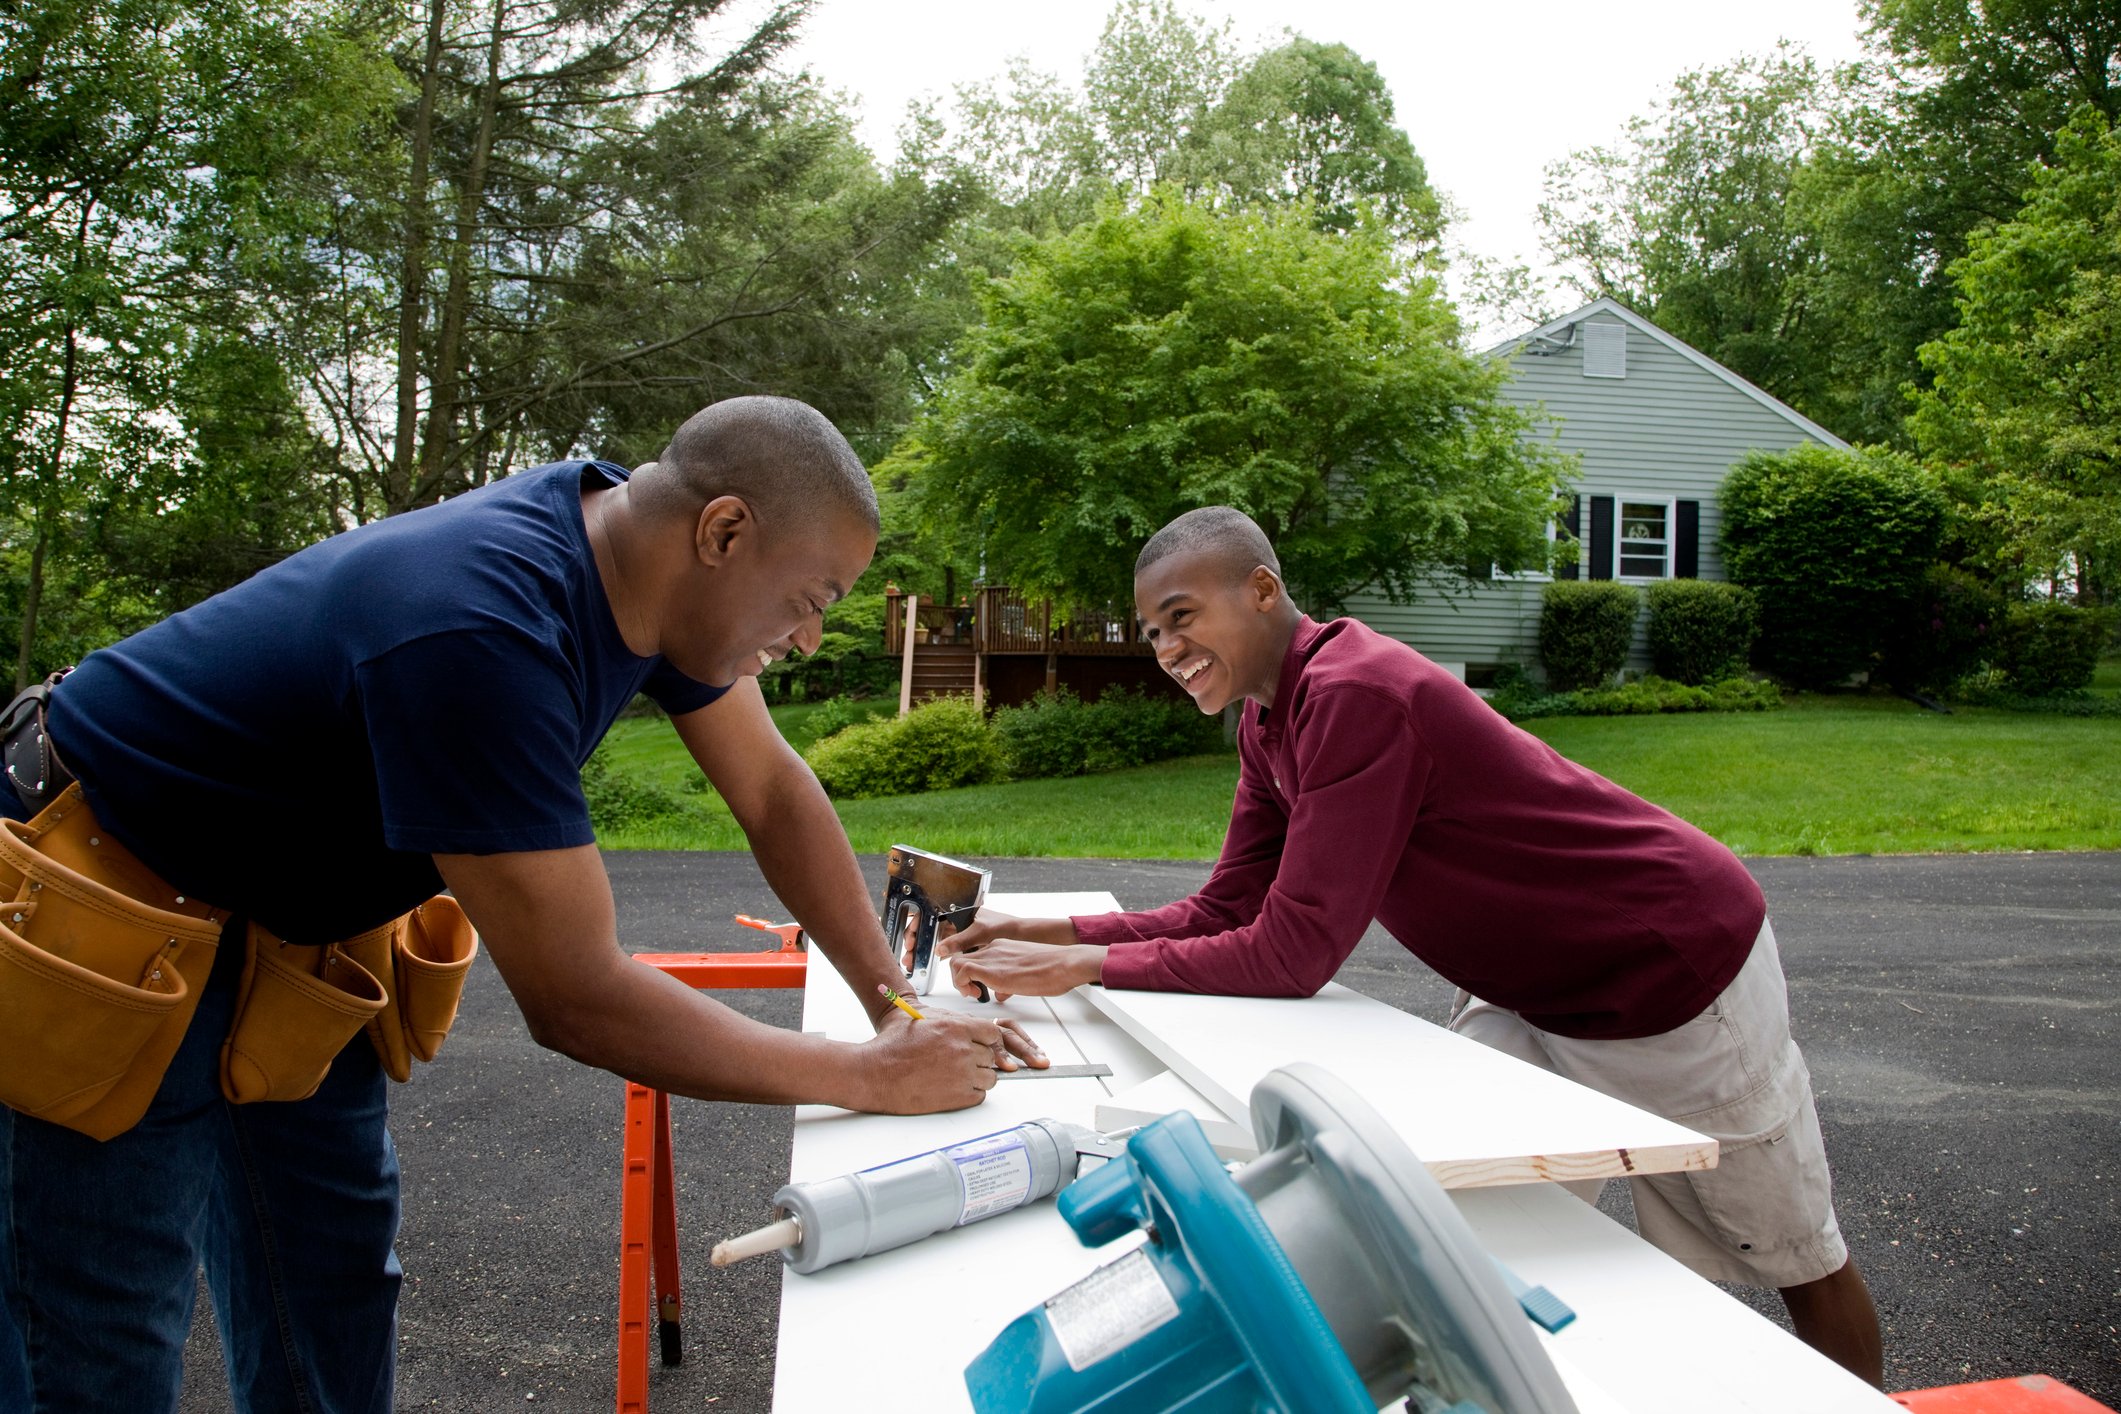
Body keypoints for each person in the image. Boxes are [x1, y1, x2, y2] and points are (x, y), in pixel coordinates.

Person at [0, 396, 1043, 1412]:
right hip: (105, 904)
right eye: (814, 598)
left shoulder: (644, 567)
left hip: (282, 931)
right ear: (725, 530)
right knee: (99, 1333)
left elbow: (771, 792)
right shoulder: (477, 629)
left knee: (328, 1281)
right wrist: (872, 1077)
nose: (813, 637)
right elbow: (577, 995)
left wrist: (892, 1004)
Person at [941, 505, 1884, 1386]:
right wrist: (1050, 930)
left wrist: (1087, 964)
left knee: (1790, 1250)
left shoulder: (1359, 695)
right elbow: (1230, 906)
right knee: (1437, 1213)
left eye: (1182, 616)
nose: (1167, 649)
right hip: (1529, 992)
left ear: (1262, 591)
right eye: (1152, 631)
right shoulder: (1271, 722)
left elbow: (1291, 952)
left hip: (1666, 970)